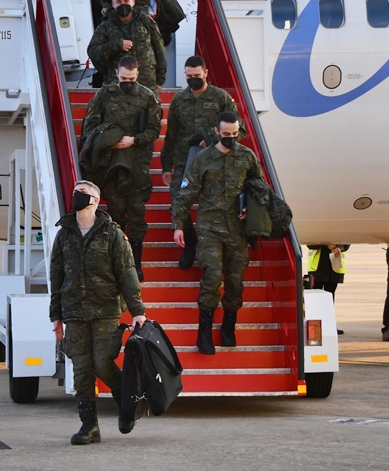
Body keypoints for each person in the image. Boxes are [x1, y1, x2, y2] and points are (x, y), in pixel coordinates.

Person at [49, 180, 147, 445]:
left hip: (105, 309)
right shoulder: (64, 233)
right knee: (81, 369)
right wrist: (55, 315)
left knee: (103, 364)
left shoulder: (112, 233)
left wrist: (137, 310)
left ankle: (129, 406)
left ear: (94, 200)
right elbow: (56, 276)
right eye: (74, 193)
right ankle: (88, 426)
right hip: (73, 311)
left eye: (82, 193)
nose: (75, 196)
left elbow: (127, 272)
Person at [171, 111, 265, 355]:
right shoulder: (203, 159)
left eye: (235, 134)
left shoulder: (247, 156)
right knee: (212, 276)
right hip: (210, 228)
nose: (231, 139)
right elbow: (186, 193)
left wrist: (250, 209)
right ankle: (203, 334)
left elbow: (259, 187)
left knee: (234, 282)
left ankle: (228, 327)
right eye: (226, 135)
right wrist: (179, 225)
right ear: (216, 132)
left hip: (237, 230)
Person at [81, 56, 162, 282]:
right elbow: (90, 127)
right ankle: (118, 261)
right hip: (111, 164)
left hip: (136, 164)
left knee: (136, 214)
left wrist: (133, 140)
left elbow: (154, 130)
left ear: (137, 75)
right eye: (124, 78)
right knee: (115, 215)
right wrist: (108, 137)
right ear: (117, 74)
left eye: (132, 79)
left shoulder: (147, 97)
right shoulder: (104, 96)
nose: (128, 83)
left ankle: (136, 263)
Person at [160, 56, 239, 269]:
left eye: (196, 76)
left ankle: (213, 250)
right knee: (177, 199)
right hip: (184, 159)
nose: (193, 79)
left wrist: (212, 139)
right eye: (189, 77)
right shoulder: (179, 100)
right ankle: (189, 242)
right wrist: (166, 166)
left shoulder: (221, 97)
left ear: (205, 73)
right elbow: (171, 135)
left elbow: (236, 133)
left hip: (214, 160)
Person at [86, 0, 167, 89]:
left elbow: (159, 50)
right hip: (116, 88)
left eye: (126, 1)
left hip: (146, 85)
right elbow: (93, 52)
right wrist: (116, 45)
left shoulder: (146, 21)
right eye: (119, 2)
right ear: (113, 4)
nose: (123, 4)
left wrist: (160, 80)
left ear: (133, 1)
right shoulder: (105, 26)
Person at [306, 244, 348, 335]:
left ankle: (329, 326)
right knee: (315, 300)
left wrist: (339, 247)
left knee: (330, 298)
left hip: (334, 267)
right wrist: (326, 246)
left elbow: (347, 242)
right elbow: (310, 243)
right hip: (317, 267)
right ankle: (315, 327)